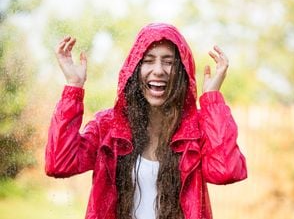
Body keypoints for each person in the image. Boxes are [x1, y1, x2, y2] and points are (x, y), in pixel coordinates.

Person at [45, 23, 247, 219]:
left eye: (168, 62)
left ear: (182, 71)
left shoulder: (197, 128)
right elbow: (59, 164)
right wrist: (73, 87)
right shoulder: (107, 126)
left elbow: (226, 171)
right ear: (134, 70)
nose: (158, 70)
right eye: (148, 60)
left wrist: (211, 97)